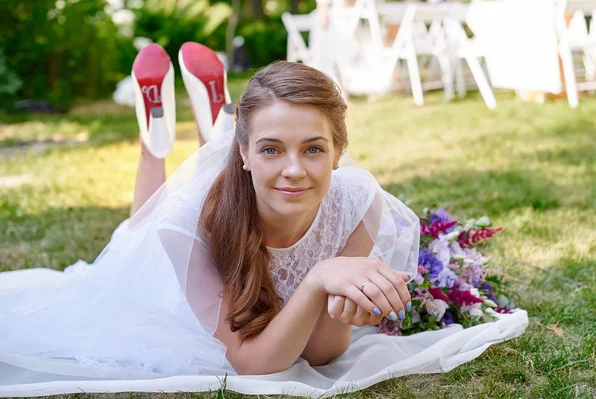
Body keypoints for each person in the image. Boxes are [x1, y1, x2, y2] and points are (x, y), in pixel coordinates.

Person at [0, 43, 421, 389]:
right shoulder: (186, 225)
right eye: (271, 149)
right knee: (139, 229)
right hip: (163, 284)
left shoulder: (358, 203)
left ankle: (213, 124)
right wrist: (319, 278)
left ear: (338, 154)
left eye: (313, 148)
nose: (294, 169)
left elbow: (321, 353)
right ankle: (154, 141)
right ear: (244, 153)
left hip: (236, 193)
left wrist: (341, 307)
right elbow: (251, 364)